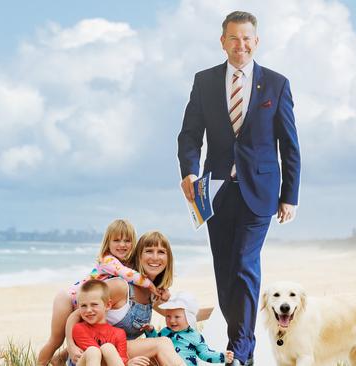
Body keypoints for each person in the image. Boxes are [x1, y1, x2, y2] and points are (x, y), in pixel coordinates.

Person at [177, 10, 301, 366]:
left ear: (256, 42)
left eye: (247, 38)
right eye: (234, 38)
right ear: (223, 42)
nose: (240, 45)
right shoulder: (204, 81)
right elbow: (190, 134)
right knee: (225, 269)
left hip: (260, 191)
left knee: (245, 264)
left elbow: (289, 144)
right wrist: (188, 170)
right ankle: (238, 336)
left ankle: (241, 351)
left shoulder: (276, 84)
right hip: (214, 190)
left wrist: (289, 196)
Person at [38, 219, 160, 366]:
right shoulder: (108, 260)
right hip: (69, 298)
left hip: (89, 301)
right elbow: (129, 275)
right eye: (116, 240)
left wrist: (161, 291)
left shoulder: (126, 262)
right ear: (108, 242)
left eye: (127, 240)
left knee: (92, 329)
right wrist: (151, 285)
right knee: (56, 339)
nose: (122, 245)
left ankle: (59, 359)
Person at [66, 231, 185, 366]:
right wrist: (70, 346)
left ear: (168, 258)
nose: (155, 257)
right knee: (162, 343)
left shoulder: (153, 293)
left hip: (121, 358)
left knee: (157, 358)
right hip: (95, 357)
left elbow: (176, 314)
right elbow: (76, 315)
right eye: (149, 251)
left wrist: (211, 310)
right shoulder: (120, 286)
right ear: (138, 256)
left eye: (161, 252)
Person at [142, 291, 234, 365]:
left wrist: (222, 356)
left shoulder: (195, 336)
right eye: (168, 316)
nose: (172, 320)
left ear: (189, 317)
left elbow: (205, 354)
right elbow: (154, 344)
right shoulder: (164, 332)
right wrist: (150, 331)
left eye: (177, 317)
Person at [72, 280, 129, 366]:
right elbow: (98, 356)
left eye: (94, 304)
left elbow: (123, 359)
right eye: (83, 306)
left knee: (108, 347)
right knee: (93, 350)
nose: (88, 310)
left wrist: (129, 363)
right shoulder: (79, 328)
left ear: (107, 305)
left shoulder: (119, 333)